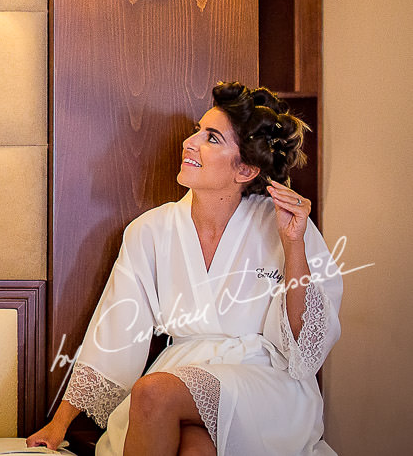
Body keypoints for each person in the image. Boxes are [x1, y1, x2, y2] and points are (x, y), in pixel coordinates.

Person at [28, 82, 341, 455]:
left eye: (211, 138)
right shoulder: (151, 230)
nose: (189, 142)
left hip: (264, 387)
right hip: (181, 381)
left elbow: (305, 345)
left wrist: (293, 246)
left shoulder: (286, 227)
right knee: (194, 447)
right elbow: (115, 334)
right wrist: (60, 423)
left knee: (153, 390)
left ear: (244, 170)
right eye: (197, 130)